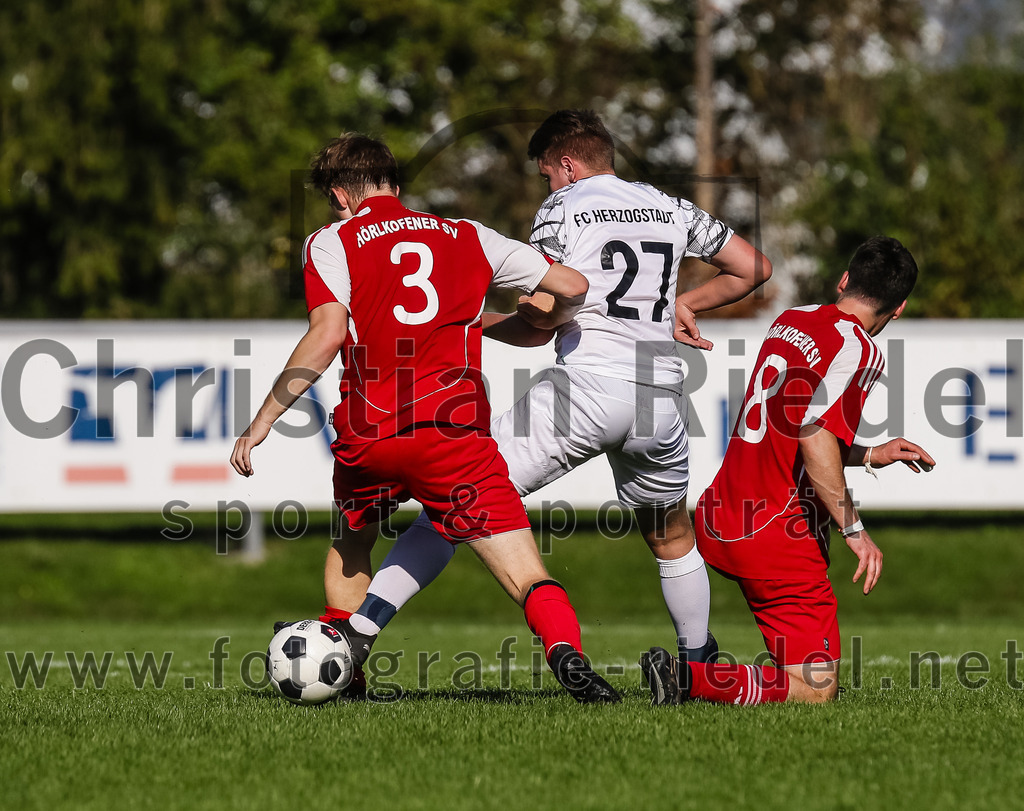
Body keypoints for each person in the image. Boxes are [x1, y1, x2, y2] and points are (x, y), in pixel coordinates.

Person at [317, 109, 773, 670]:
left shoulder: (565, 206)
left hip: (585, 387)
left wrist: (479, 322)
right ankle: (698, 663)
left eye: (547, 175)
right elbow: (753, 267)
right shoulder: (669, 206)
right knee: (672, 536)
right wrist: (685, 303)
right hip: (659, 396)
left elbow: (540, 319)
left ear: (568, 165)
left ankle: (357, 634)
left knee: (456, 500)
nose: (548, 186)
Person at [231, 133, 620, 704]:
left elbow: (328, 333)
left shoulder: (332, 240)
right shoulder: (469, 235)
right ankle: (567, 654)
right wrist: (540, 320)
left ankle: (349, 676)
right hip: (453, 434)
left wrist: (263, 419)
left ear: (339, 195)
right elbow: (573, 286)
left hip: (371, 433)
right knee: (525, 572)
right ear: (394, 182)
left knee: (353, 541)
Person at [640, 235, 936, 705]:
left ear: (844, 280)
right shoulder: (861, 349)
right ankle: (687, 678)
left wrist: (869, 454)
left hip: (719, 515)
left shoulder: (793, 319)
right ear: (898, 308)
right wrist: (854, 529)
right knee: (817, 690)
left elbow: (789, 423)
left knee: (799, 675)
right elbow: (813, 434)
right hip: (775, 535)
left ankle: (696, 656)